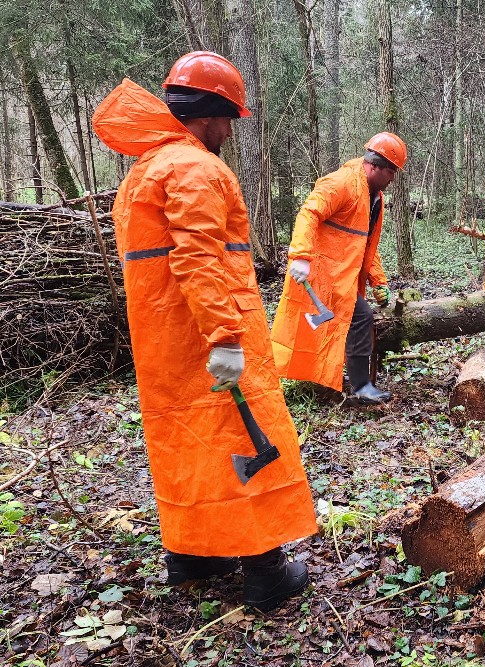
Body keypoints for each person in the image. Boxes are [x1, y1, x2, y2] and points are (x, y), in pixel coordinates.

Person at [93, 51, 318, 611]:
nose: (230, 131)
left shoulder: (146, 169)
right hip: (207, 336)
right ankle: (266, 570)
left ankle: (191, 555)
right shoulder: (195, 169)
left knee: (184, 445)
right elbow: (198, 259)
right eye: (229, 119)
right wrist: (223, 336)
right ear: (211, 114)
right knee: (241, 441)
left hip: (164, 342)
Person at [270, 133, 406, 404]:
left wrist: (378, 281)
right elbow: (309, 213)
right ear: (375, 166)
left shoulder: (374, 197)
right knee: (360, 317)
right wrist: (300, 256)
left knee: (351, 320)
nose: (393, 179)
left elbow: (367, 244)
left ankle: (345, 381)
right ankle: (360, 387)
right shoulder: (341, 183)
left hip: (343, 275)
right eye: (391, 171)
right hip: (321, 274)